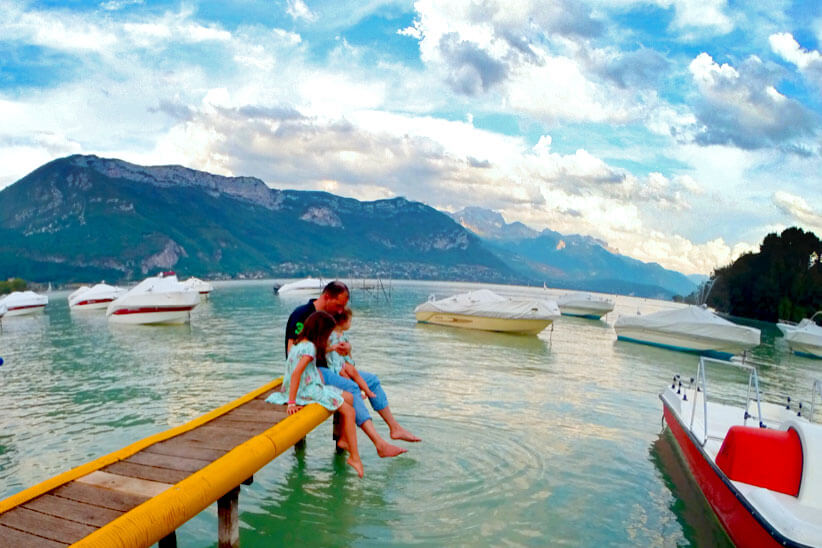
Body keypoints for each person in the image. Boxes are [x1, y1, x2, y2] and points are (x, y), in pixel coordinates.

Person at [284, 281, 420, 458]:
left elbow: (328, 344)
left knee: (372, 381)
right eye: (339, 305)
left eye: (343, 306)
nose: (341, 311)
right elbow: (293, 351)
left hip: (330, 366)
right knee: (353, 388)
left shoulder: (329, 316)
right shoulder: (302, 314)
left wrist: (346, 349)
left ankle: (394, 427)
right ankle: (379, 443)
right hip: (314, 371)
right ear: (327, 297)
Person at [267, 311, 364, 477]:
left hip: (303, 388)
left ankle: (344, 439)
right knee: (349, 410)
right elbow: (297, 373)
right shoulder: (310, 348)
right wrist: (291, 403)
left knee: (350, 397)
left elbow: (296, 372)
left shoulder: (299, 344)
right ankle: (355, 457)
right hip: (307, 391)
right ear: (321, 333)